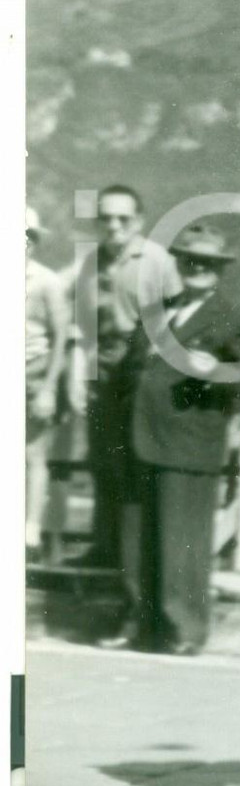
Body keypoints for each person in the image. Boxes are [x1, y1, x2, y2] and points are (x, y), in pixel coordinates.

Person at [105, 224, 240, 654]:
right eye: (190, 260)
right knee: (135, 538)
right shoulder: (156, 311)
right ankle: (137, 625)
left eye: (208, 263)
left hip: (188, 443)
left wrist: (215, 372)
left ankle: (185, 630)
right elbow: (130, 368)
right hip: (138, 437)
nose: (197, 268)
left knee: (183, 541)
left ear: (220, 270)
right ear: (179, 264)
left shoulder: (233, 316)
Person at [66, 185, 180, 568]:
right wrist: (78, 375)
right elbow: (82, 326)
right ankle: (104, 548)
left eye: (123, 218)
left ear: (139, 221)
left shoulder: (158, 262)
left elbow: (177, 319)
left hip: (141, 373)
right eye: (105, 218)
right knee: (102, 461)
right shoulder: (89, 264)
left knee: (138, 462)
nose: (113, 226)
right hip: (102, 373)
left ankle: (136, 558)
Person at [25, 207, 69, 557]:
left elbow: (60, 339)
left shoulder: (47, 282)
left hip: (34, 375)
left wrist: (49, 388)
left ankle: (31, 530)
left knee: (32, 454)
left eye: (29, 237)